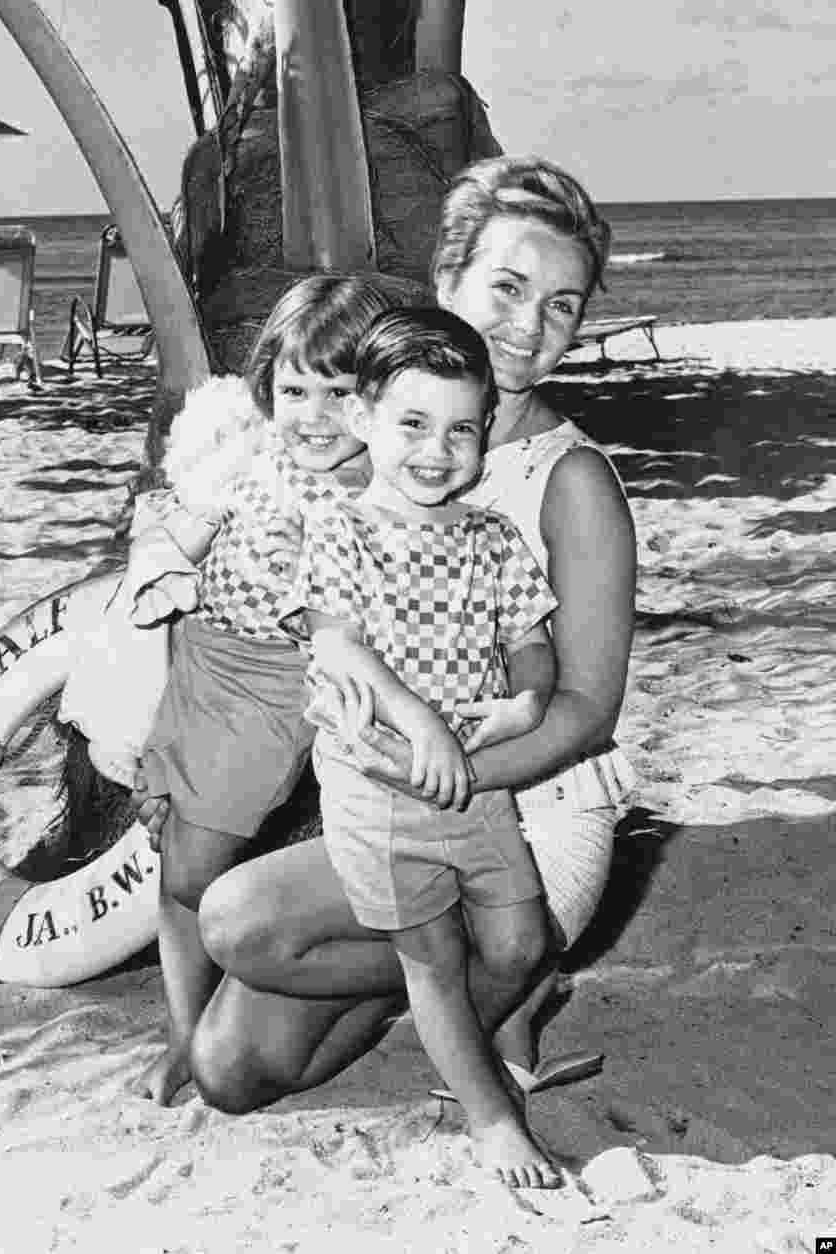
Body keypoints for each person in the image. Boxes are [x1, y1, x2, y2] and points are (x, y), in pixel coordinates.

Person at [184, 155, 637, 1134]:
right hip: (380, 801)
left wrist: (440, 779)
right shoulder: (369, 434)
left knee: (238, 921)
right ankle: (474, 982)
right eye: (507, 287)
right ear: (444, 284)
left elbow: (586, 709)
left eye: (561, 305)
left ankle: (511, 960)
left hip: (523, 815)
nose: (527, 323)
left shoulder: (572, 485)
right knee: (229, 1067)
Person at [284, 306, 562, 1186]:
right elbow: (336, 642)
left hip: (476, 785)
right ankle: (489, 1117)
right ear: (364, 418)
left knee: (521, 943)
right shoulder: (343, 526)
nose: (436, 451)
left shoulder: (491, 534)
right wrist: (423, 721)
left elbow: (530, 638)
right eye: (412, 424)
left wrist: (526, 703)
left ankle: (456, 1048)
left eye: (461, 429)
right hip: (384, 787)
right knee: (434, 959)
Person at [125, 274, 404, 1105]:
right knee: (174, 851)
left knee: (194, 867)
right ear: (266, 388)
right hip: (202, 658)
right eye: (294, 390)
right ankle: (186, 1032)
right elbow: (193, 525)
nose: (314, 416)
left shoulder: (376, 489)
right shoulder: (252, 452)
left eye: (340, 393)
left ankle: (206, 1031)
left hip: (274, 684)